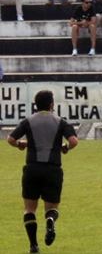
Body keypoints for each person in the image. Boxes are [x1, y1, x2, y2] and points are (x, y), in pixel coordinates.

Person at [7, 90, 79, 254]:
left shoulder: (28, 121)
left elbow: (10, 139)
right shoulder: (61, 122)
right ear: (52, 104)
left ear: (36, 104)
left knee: (29, 209)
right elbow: (74, 141)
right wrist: (65, 148)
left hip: (32, 169)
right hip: (52, 170)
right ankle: (51, 220)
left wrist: (21, 144)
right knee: (51, 208)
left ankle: (33, 245)